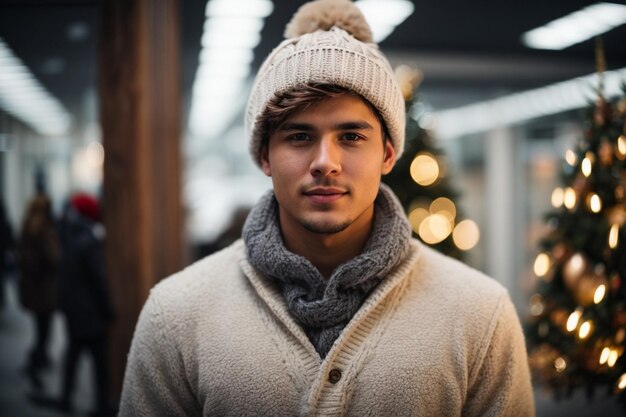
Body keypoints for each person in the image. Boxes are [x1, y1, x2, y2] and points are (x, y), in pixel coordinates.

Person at [120, 1, 535, 415]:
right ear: (264, 156)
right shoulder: (175, 314)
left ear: (388, 155)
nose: (325, 162)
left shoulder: (479, 313)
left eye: (352, 136)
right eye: (299, 136)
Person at [57, 193, 115, 416]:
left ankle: (65, 398)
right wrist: (108, 309)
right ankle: (101, 404)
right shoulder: (89, 241)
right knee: (100, 362)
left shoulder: (68, 236)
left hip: (74, 310)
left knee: (72, 355)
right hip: (90, 312)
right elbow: (98, 279)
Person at [17, 192, 60, 391]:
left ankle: (38, 356)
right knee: (45, 326)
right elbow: (53, 258)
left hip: (32, 286)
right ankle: (38, 357)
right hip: (44, 287)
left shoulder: (27, 227)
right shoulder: (43, 230)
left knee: (39, 325)